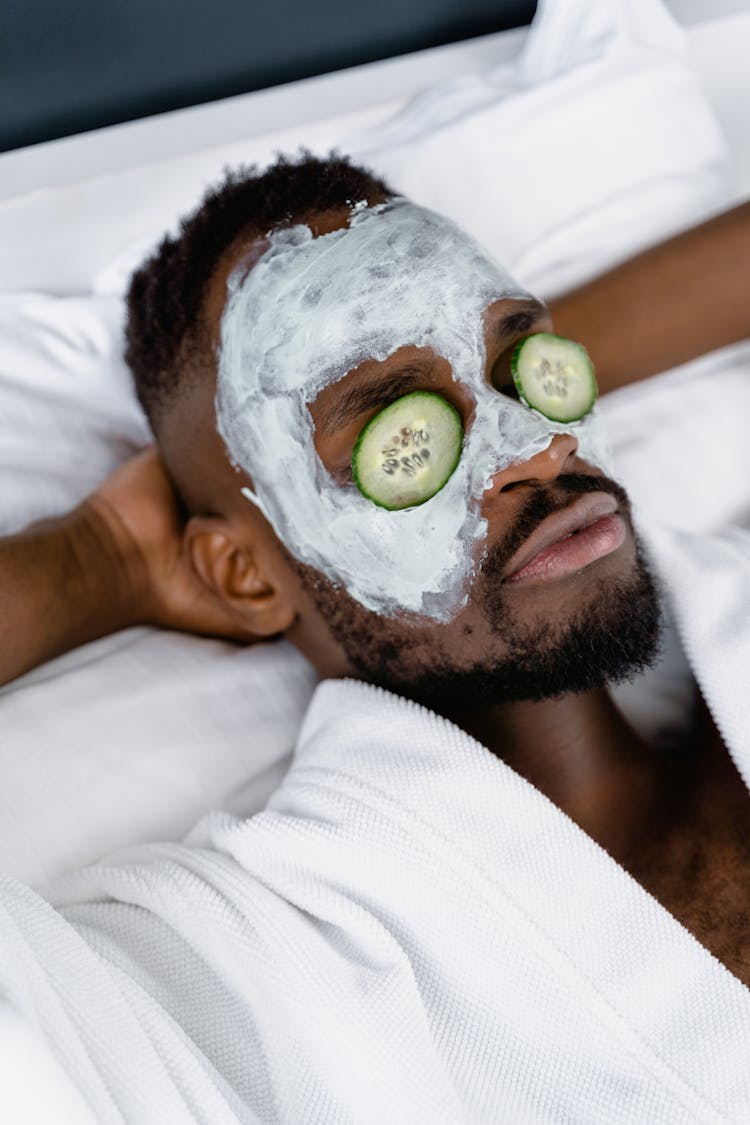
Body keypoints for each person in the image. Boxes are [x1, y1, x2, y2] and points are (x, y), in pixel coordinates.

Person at [1, 152, 750, 1123]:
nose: (539, 446)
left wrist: (451, 359)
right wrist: (96, 561)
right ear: (243, 572)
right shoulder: (239, 977)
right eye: (398, 427)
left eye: (528, 361)